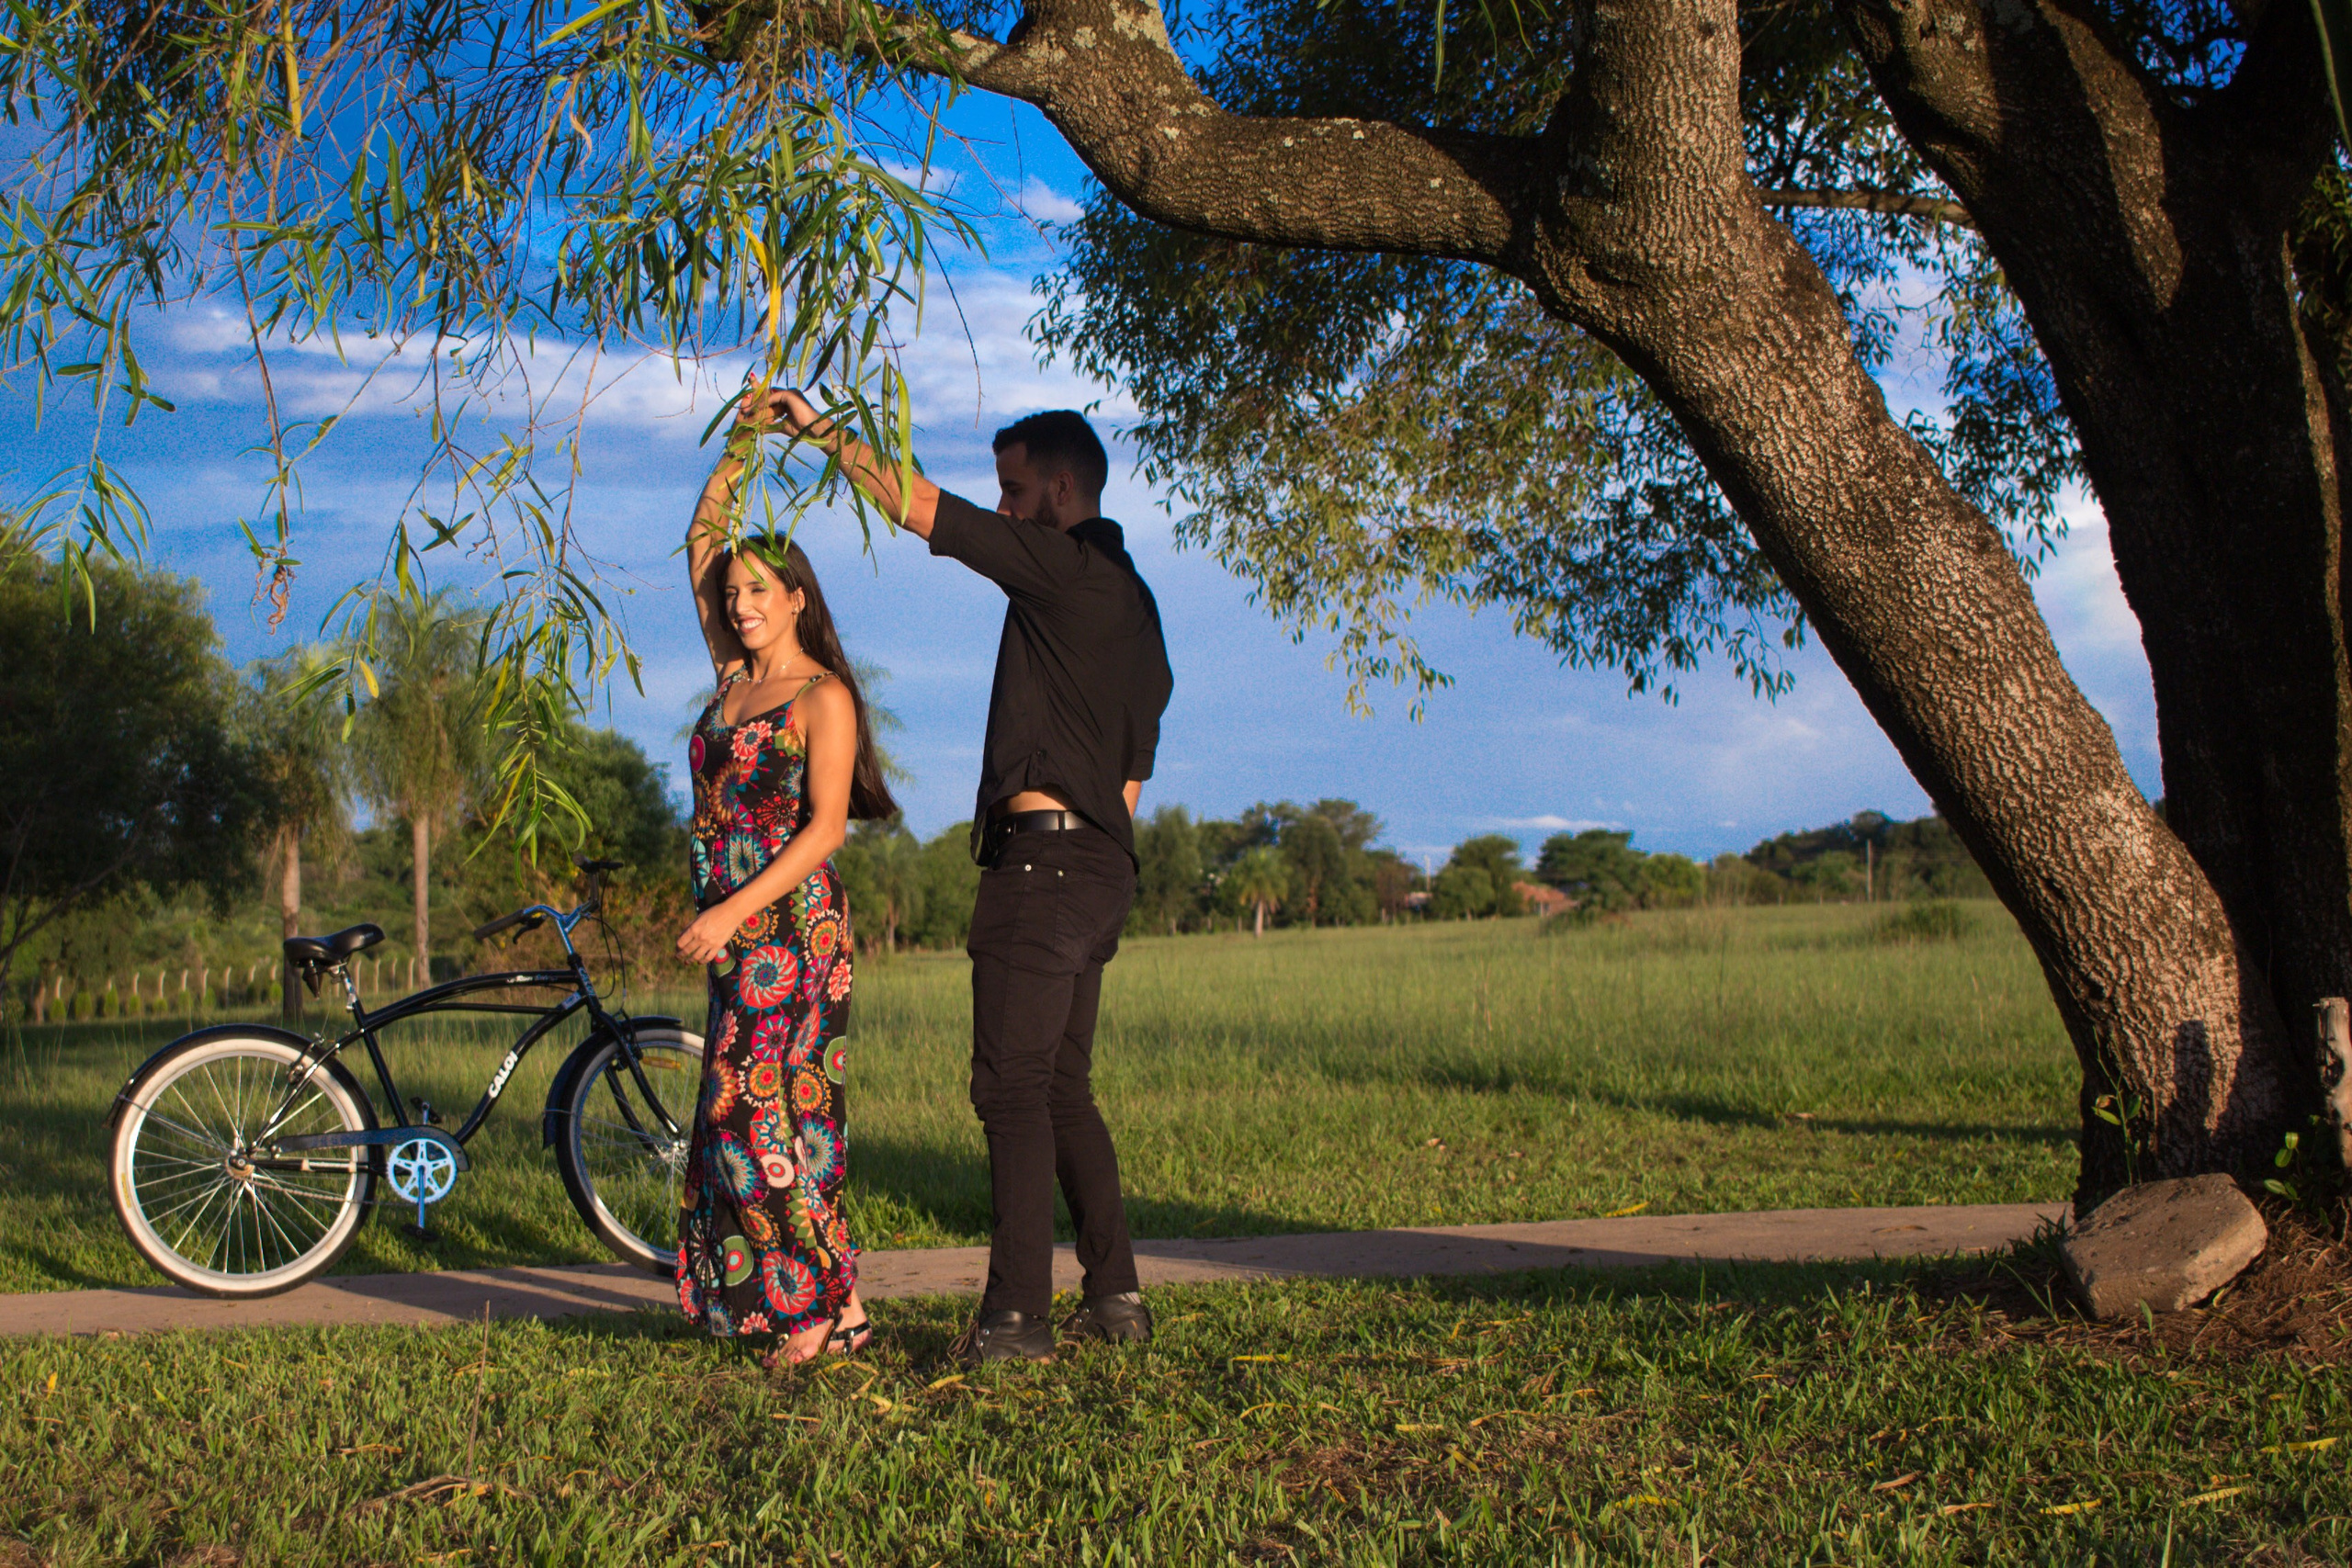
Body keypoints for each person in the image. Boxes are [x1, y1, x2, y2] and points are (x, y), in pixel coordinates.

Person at [772, 389, 1173, 1367]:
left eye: (1014, 490)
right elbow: (1134, 766)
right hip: (1102, 862)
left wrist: (819, 429)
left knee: (1010, 1089)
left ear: (1062, 489)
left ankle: (1015, 1320)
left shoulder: (1064, 570)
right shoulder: (1137, 606)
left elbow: (921, 508)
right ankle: (1116, 1297)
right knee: (1063, 1088)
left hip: (1044, 865)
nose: (1002, 509)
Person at [673, 389, 898, 1368]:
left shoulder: (820, 695)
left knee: (762, 1113)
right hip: (737, 934)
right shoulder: (734, 679)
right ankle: (838, 1309)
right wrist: (742, 443)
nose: (741, 605)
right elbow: (701, 540)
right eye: (733, 595)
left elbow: (826, 829)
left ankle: (814, 1307)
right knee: (753, 1113)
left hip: (793, 932)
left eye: (760, 590)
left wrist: (731, 910)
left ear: (798, 597)